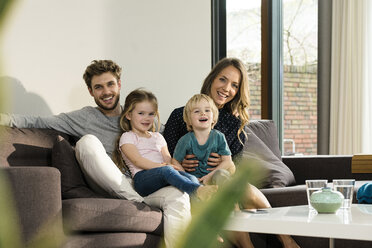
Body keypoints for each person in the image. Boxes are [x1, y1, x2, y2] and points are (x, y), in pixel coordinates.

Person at [0, 60, 191, 248]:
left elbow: (169, 137)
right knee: (87, 142)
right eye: (98, 87)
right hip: (108, 184)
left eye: (110, 84)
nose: (106, 92)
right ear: (91, 92)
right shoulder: (84, 117)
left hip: (143, 183)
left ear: (119, 84)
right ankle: (136, 201)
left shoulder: (139, 115)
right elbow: (37, 122)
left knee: (178, 196)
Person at [163, 57, 300, 248]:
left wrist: (221, 166)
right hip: (191, 185)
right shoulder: (181, 115)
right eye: (223, 80)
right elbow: (166, 158)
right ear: (211, 79)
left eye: (234, 85)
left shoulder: (233, 123)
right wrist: (182, 165)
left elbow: (234, 167)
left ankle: (287, 240)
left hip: (222, 181)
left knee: (238, 187)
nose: (227, 88)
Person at [113, 88, 217, 200]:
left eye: (151, 114)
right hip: (142, 179)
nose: (146, 118)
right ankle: (197, 190)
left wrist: (182, 173)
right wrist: (162, 167)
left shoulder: (158, 137)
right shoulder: (127, 137)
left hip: (163, 174)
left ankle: (203, 204)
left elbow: (168, 160)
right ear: (128, 115)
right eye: (141, 113)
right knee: (167, 171)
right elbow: (137, 160)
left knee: (192, 178)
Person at [172, 93, 235, 186]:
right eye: (197, 111)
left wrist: (210, 176)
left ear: (214, 117)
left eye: (207, 110)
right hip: (195, 182)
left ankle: (228, 199)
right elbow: (175, 161)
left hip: (215, 178)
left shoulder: (219, 137)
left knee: (222, 174)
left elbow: (227, 161)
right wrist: (186, 176)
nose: (203, 113)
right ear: (189, 119)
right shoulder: (185, 140)